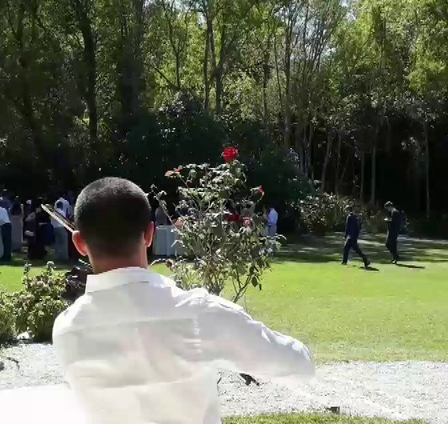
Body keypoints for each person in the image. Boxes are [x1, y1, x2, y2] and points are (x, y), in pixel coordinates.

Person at [52, 177, 314, 424]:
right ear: (149, 234)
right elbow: (298, 364)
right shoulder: (197, 313)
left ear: (79, 243)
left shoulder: (67, 328)